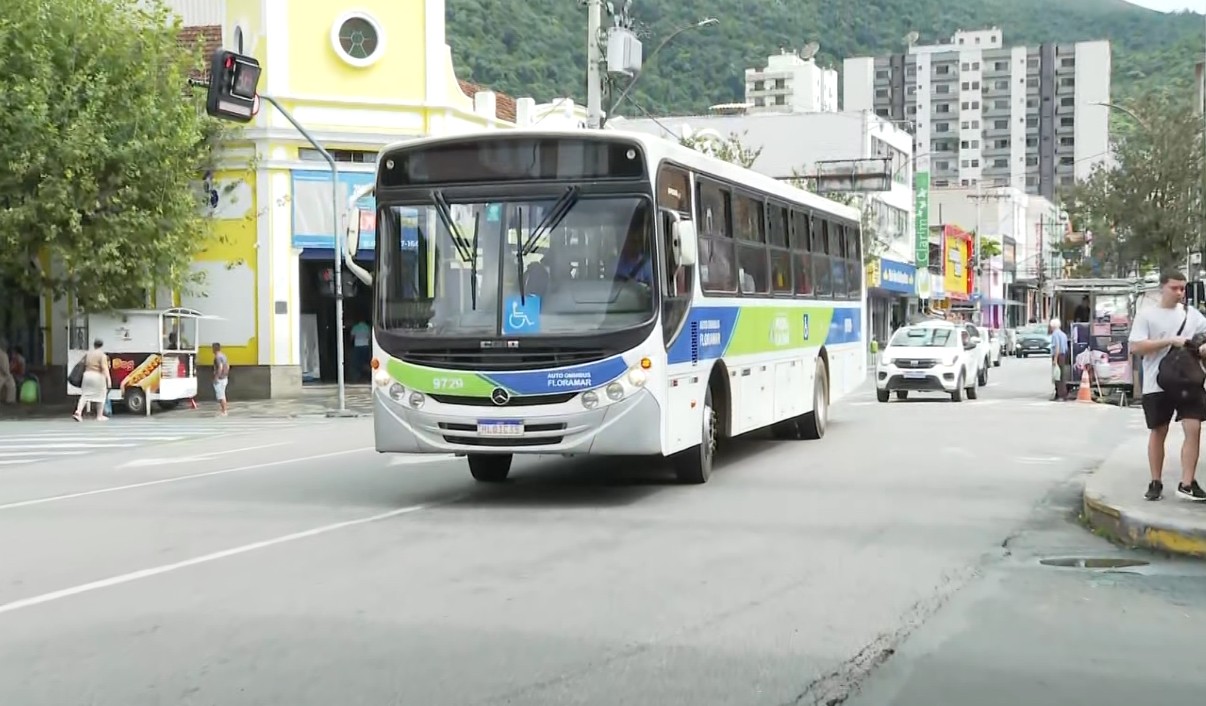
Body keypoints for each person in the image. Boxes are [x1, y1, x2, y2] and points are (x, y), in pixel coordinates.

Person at [1130, 270, 1206, 502]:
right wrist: (1170, 340)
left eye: (1183, 288)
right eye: (1174, 288)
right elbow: (1136, 347)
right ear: (1162, 287)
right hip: (1157, 381)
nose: (1180, 293)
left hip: (1188, 380)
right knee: (1159, 430)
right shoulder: (1147, 315)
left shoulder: (1192, 315)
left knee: (1193, 428)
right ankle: (1156, 481)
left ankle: (1187, 482)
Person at [73, 339, 110, 421]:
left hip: (87, 375)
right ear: (102, 345)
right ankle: (99, 415)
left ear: (94, 345)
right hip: (97, 376)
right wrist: (109, 379)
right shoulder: (102, 355)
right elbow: (104, 368)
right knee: (101, 395)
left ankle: (78, 412)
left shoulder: (88, 354)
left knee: (85, 395)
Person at [1049, 317, 1070, 401]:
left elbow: (1057, 347)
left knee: (1057, 376)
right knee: (1062, 375)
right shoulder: (1063, 334)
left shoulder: (1055, 334)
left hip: (1057, 355)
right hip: (1063, 355)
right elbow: (1066, 348)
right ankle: (1061, 394)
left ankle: (1060, 395)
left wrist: (1055, 359)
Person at [212, 342, 230, 416]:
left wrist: (216, 377)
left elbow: (220, 367)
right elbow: (228, 366)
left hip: (220, 379)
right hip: (224, 378)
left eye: (212, 348)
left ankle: (224, 411)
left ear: (214, 348)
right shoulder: (223, 356)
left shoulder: (217, 357)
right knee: (222, 395)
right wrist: (225, 374)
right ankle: (224, 410)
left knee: (220, 396)